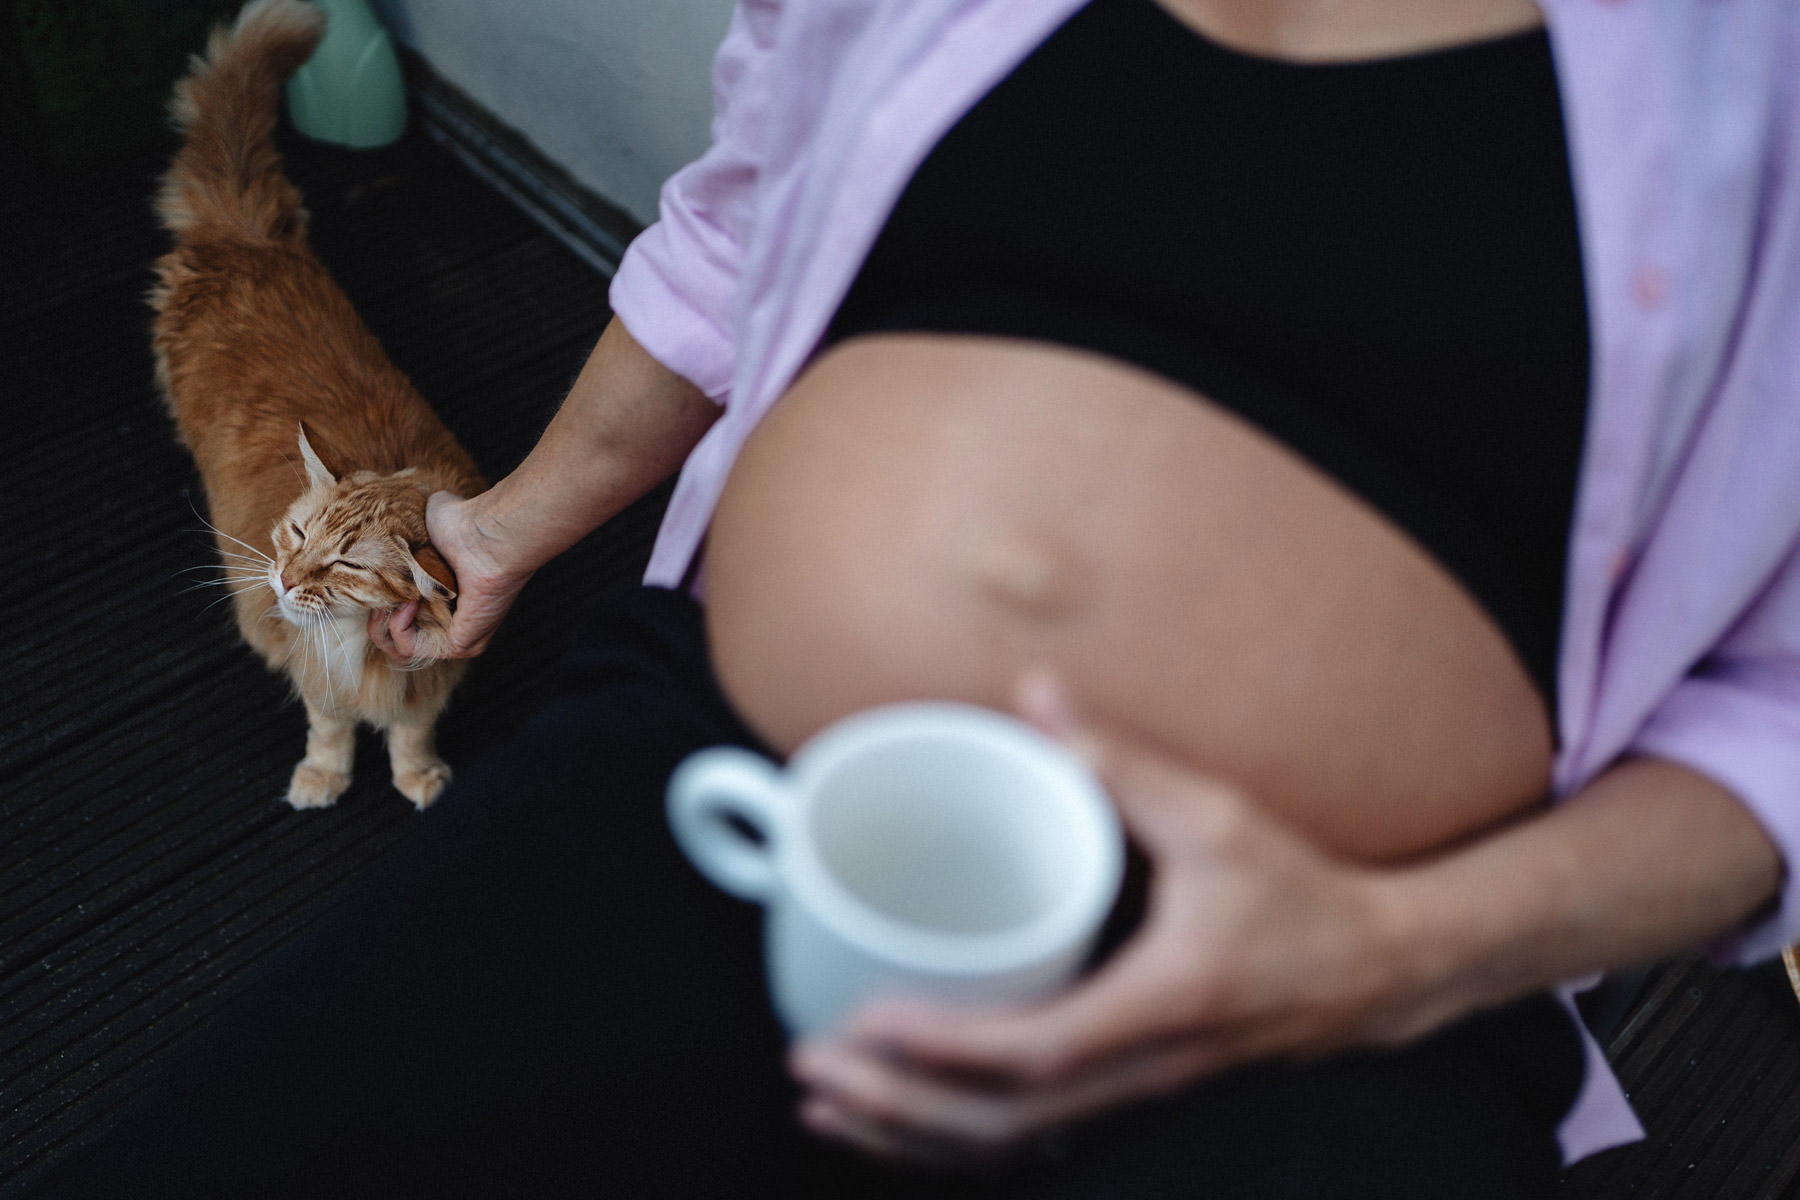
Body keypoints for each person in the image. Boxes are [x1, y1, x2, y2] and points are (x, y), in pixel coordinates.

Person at [52, 0, 1799, 1195]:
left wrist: (1401, 956)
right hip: (751, 767)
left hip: (1348, 957)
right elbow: (735, 247)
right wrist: (503, 532)